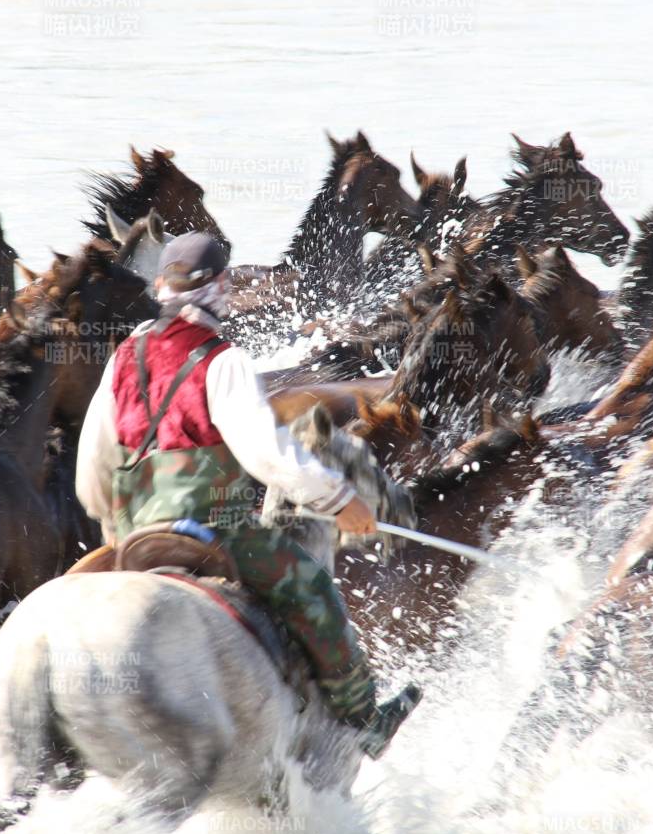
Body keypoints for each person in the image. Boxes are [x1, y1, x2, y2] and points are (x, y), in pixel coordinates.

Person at [76, 233, 421, 758]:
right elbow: (267, 454)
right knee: (313, 589)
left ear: (162, 286)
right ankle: (364, 719)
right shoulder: (222, 359)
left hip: (128, 535)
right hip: (210, 529)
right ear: (219, 285)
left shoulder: (124, 356)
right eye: (227, 281)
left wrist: (114, 524)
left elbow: (93, 465)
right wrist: (339, 500)